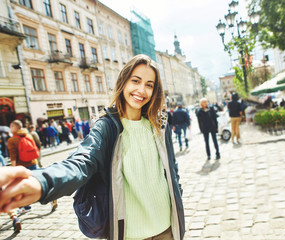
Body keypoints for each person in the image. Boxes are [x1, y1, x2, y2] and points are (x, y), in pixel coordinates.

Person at [0, 54, 185, 240]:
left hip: (167, 228)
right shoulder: (107, 127)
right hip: (130, 233)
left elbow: (171, 167)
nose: (141, 90)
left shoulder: (159, 124)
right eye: (135, 81)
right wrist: (42, 181)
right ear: (123, 82)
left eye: (149, 84)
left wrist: (177, 194)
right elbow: (81, 161)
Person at [6, 120, 39, 232]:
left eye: (11, 126)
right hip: (33, 163)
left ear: (14, 127)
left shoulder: (12, 140)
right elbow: (37, 146)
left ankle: (26, 207)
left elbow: (13, 156)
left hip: (21, 166)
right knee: (39, 182)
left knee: (21, 188)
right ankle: (52, 199)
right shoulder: (28, 134)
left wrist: (14, 169)